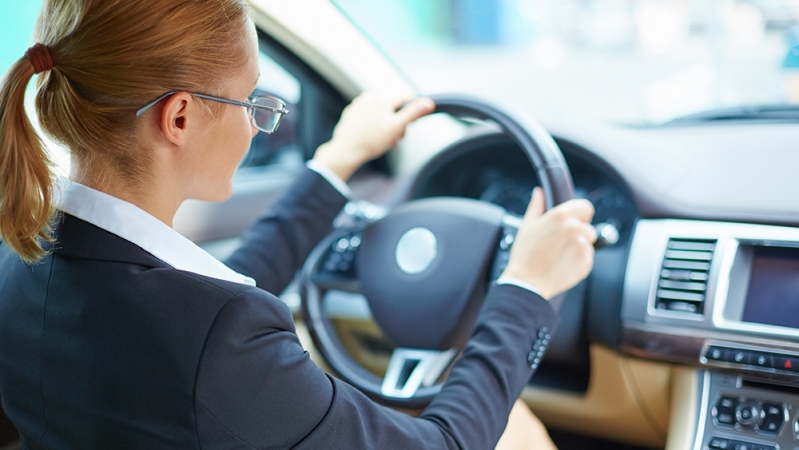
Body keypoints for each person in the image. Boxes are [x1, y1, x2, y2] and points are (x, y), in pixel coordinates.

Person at [0, 0, 597, 449]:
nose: (260, 124)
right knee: (516, 428)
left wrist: (336, 163)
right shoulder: (215, 340)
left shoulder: (21, 257)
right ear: (180, 117)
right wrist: (526, 288)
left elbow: (214, 293)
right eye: (253, 102)